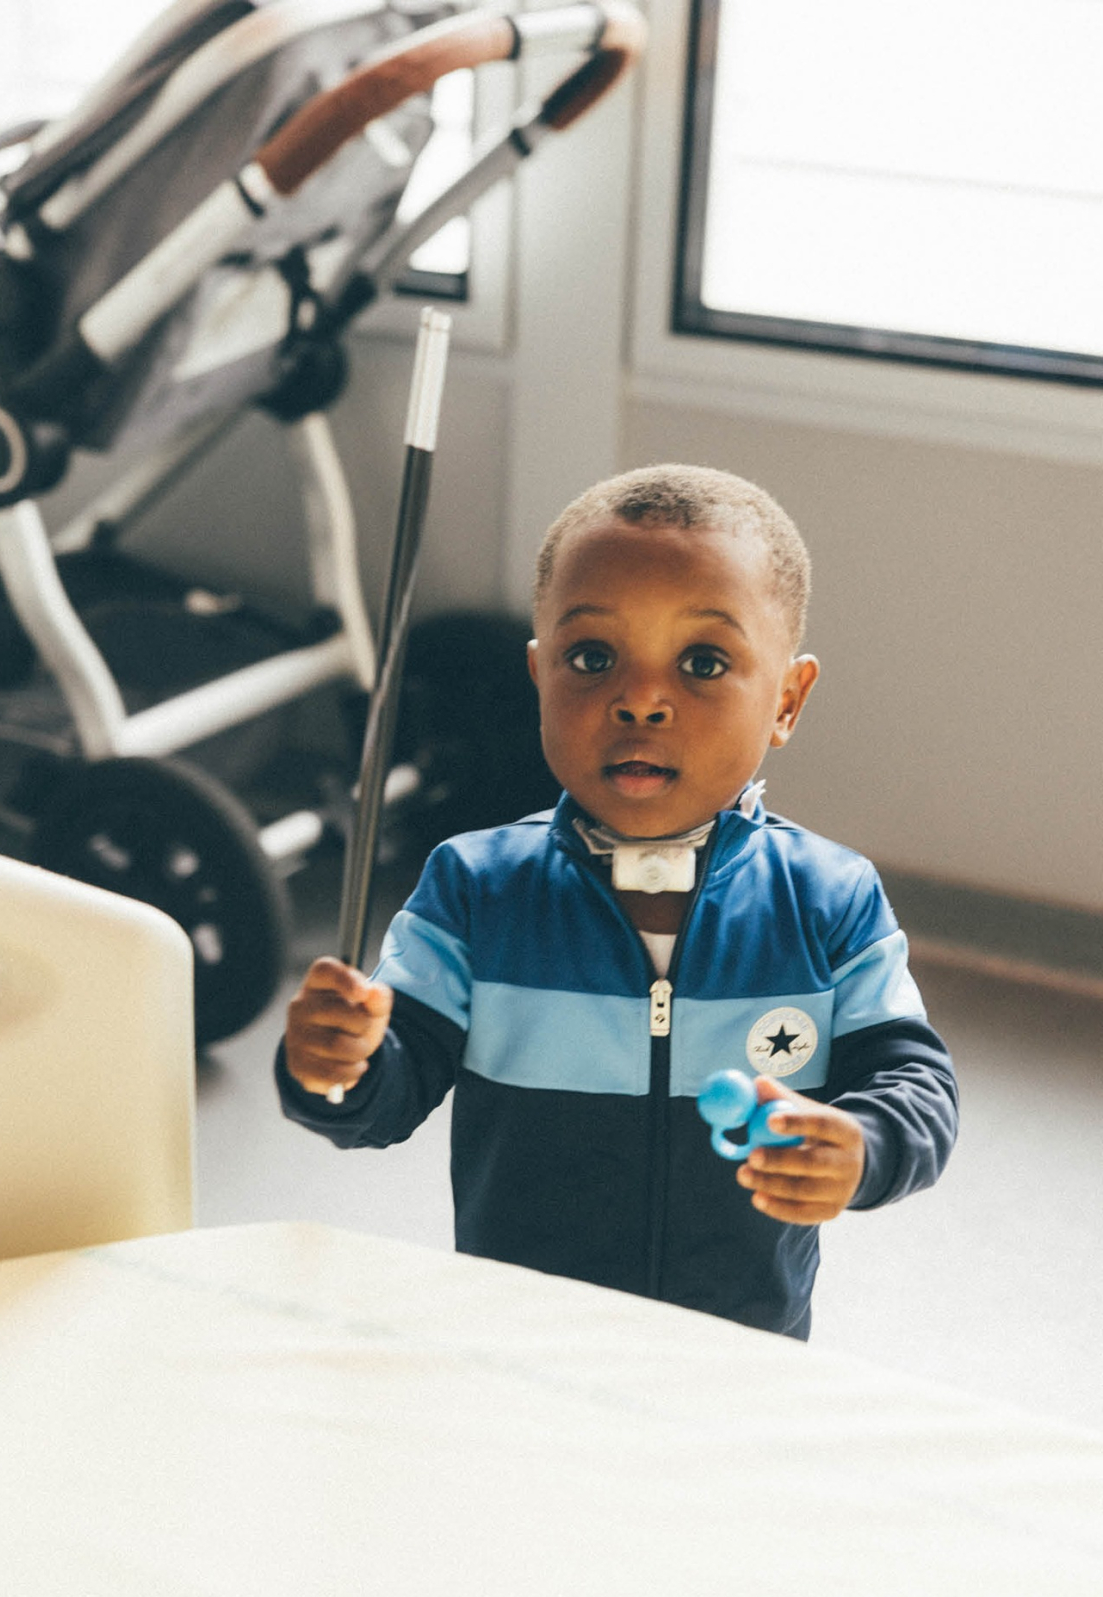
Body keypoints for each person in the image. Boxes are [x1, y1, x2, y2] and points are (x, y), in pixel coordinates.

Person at [276, 464, 958, 1338]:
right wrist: (334, 1063)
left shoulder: (830, 899)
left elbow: (914, 1079)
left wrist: (861, 1145)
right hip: (517, 1339)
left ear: (786, 699)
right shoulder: (476, 889)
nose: (639, 698)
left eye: (704, 662)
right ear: (539, 676)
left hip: (741, 1347)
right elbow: (385, 1086)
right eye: (592, 658)